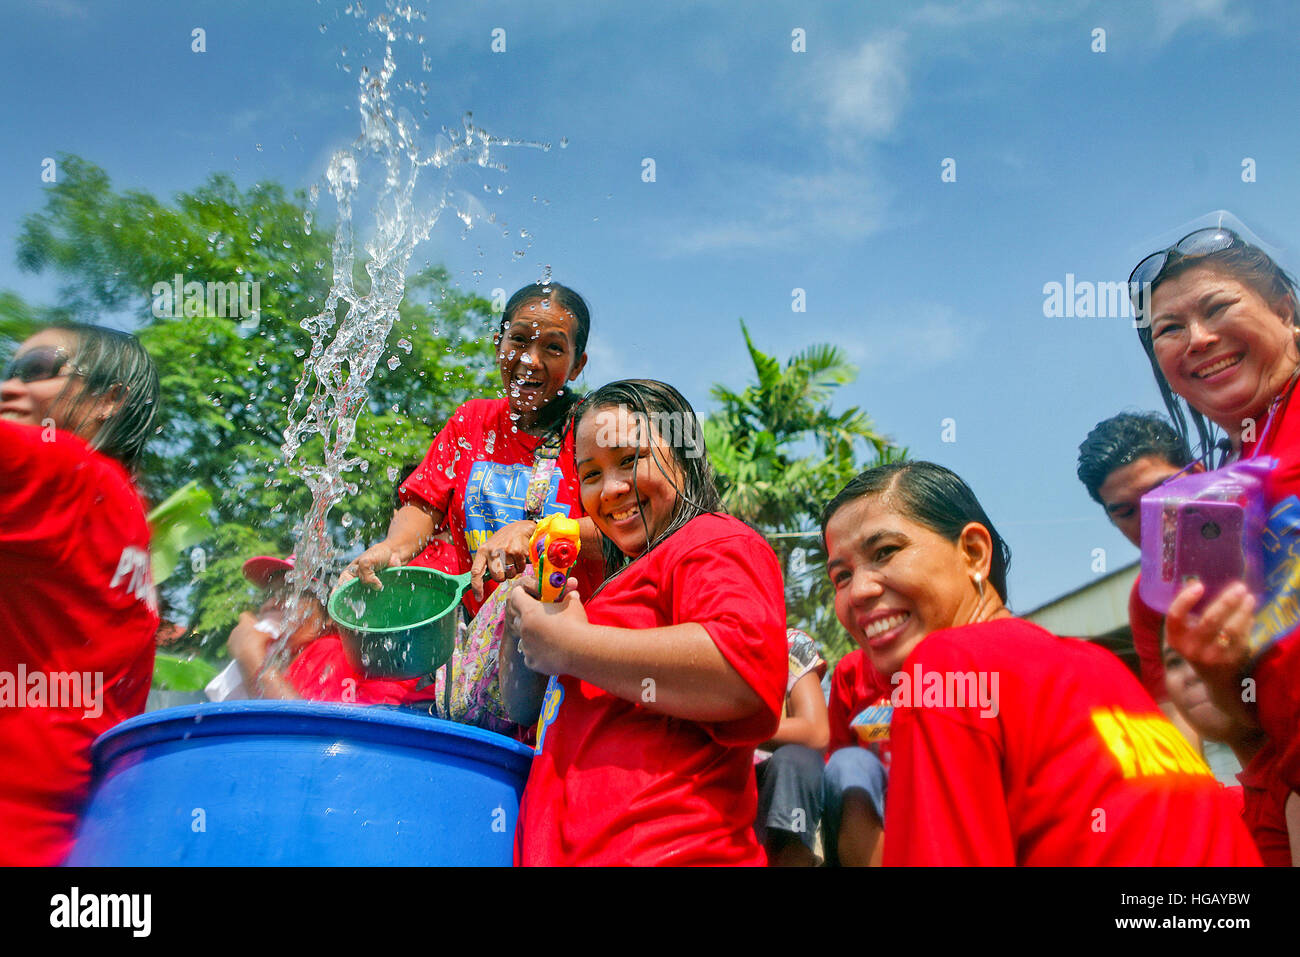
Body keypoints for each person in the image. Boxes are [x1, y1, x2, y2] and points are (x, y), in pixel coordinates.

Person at [821, 460, 1260, 865]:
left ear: (974, 551)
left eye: (885, 552)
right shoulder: (1100, 667)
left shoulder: (946, 667)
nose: (858, 591)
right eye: (841, 576)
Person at [501, 380, 788, 865]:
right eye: (590, 474)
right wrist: (523, 630)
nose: (611, 489)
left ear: (686, 456)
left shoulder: (713, 540)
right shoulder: (609, 589)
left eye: (631, 461)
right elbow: (521, 709)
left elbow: (742, 673)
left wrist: (572, 644)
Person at [1128, 222, 1300, 800]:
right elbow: (1247, 719)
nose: (1196, 338)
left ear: (1284, 311)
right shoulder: (1216, 502)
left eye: (1217, 307)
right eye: (1169, 329)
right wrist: (1219, 670)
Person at [0, 323, 160, 866]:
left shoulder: (59, 474)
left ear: (108, 400)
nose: (10, 386)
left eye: (40, 369)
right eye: (11, 370)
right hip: (70, 841)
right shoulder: (126, 512)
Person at [344, 282, 601, 611]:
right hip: (484, 641)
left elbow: (626, 525)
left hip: (575, 633)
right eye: (519, 340)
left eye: (553, 348)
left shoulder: (589, 429)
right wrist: (392, 548)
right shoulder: (471, 422)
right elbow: (424, 505)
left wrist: (535, 530)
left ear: (577, 365)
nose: (531, 360)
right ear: (499, 346)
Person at [1076, 412, 1201, 741]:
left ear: (1199, 474)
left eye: (1160, 493)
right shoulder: (1149, 599)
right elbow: (1177, 721)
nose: (1153, 518)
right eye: (1127, 512)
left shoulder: (1277, 529)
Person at [1162, 632, 1299, 865]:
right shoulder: (1233, 806)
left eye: (1212, 648)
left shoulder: (1292, 781)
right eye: (1175, 661)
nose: (1192, 674)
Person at [753, 628, 829, 867]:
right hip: (712, 777)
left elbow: (816, 732)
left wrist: (732, 730)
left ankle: (792, 855)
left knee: (796, 760)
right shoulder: (684, 647)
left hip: (773, 782)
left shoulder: (789, 644)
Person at [823, 646, 892, 866]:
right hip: (867, 810)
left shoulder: (953, 669)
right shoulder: (851, 669)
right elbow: (835, 755)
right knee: (847, 763)